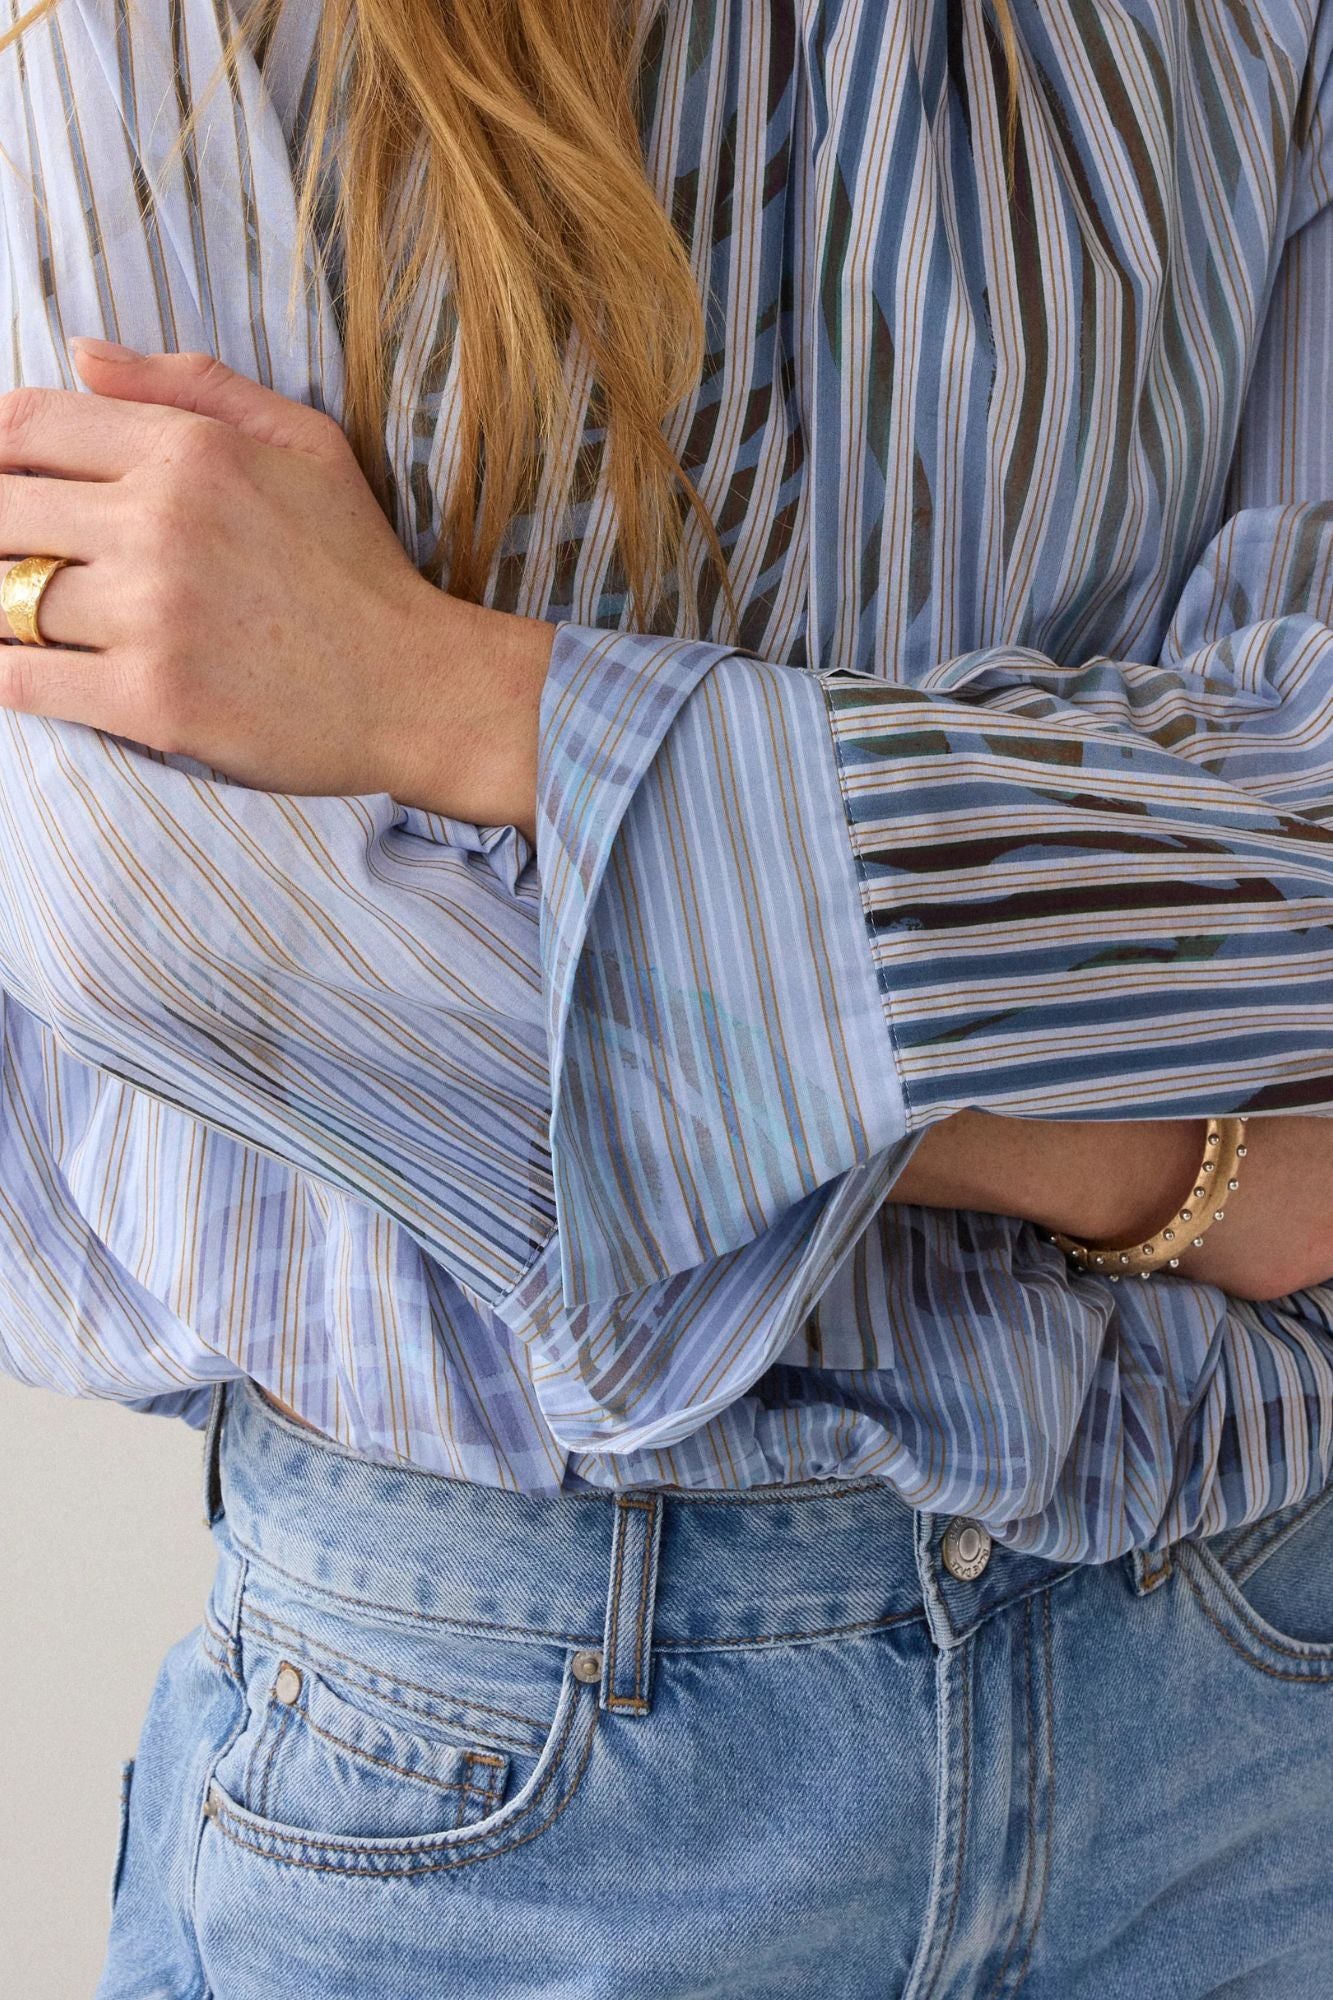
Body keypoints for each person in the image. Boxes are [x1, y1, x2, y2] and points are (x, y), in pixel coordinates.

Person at [0, 0, 1332, 1991]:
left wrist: (464, 701)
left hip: (1230, 1702)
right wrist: (1133, 1149)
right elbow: (179, 923)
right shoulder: (185, 32)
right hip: (509, 1768)